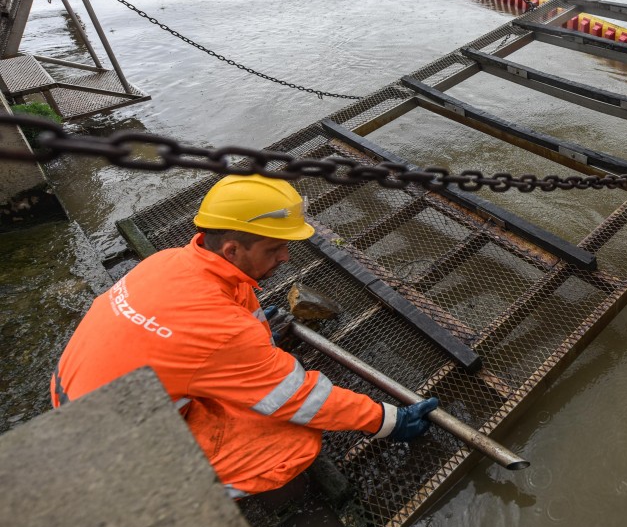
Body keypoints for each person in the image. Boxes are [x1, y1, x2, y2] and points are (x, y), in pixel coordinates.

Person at [51, 174, 439, 498]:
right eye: (275, 248)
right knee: (296, 446)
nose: (286, 258)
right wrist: (388, 420)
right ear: (233, 248)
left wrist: (256, 331)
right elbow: (299, 398)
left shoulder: (169, 261)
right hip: (115, 446)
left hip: (80, 396)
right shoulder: (221, 331)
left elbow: (215, 325)